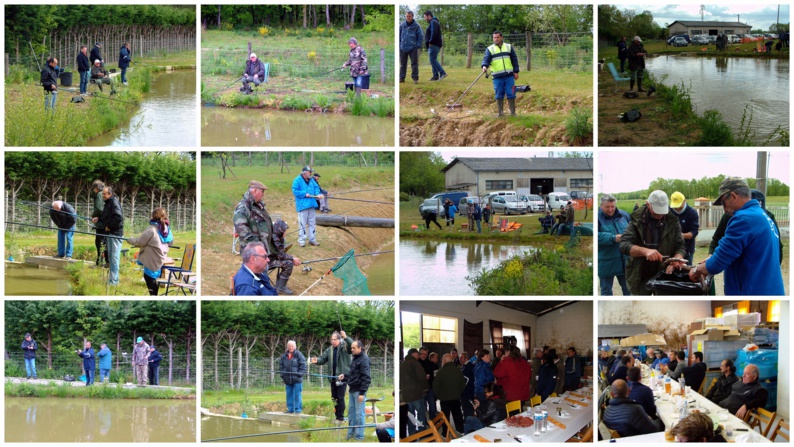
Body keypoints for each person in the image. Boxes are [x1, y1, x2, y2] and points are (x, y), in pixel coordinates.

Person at [690, 177, 784, 295]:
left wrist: (696, 270)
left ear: (734, 196)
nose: (724, 210)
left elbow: (719, 261)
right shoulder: (763, 216)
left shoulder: (743, 219)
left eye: (724, 203)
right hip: (768, 289)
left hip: (752, 292)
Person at [619, 190, 686, 295]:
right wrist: (644, 251)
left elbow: (680, 246)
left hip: (665, 274)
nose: (660, 215)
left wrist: (677, 259)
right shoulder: (636, 220)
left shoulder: (673, 221)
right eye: (656, 211)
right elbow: (624, 245)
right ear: (648, 204)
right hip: (640, 275)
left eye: (662, 211)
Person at [126, 208, 171, 296]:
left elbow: (140, 241)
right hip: (160, 257)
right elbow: (171, 242)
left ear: (153, 216)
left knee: (149, 277)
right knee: (155, 276)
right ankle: (154, 295)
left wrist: (130, 240)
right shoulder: (166, 228)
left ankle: (153, 296)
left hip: (151, 257)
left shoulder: (152, 229)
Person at [312, 330, 354, 423]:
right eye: (331, 339)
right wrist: (316, 360)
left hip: (342, 377)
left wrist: (346, 337)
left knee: (340, 397)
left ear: (339, 339)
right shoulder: (329, 349)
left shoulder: (344, 347)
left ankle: (340, 417)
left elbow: (352, 346)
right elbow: (322, 359)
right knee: (334, 398)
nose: (333, 341)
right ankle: (336, 416)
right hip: (333, 378)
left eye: (335, 339)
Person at [598, 194, 632, 295]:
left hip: (625, 261)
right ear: (601, 206)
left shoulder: (624, 215)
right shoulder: (597, 218)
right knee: (606, 292)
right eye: (607, 207)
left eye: (612, 206)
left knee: (628, 290)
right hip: (606, 262)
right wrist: (612, 238)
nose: (610, 209)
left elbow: (634, 229)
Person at [482, 31, 520, 117]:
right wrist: (484, 66)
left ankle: (513, 113)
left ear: (501, 37)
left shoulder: (509, 47)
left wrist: (516, 71)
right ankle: (500, 113)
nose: (496, 39)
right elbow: (486, 59)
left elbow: (514, 60)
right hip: (497, 77)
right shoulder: (490, 49)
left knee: (511, 93)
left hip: (509, 75)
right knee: (499, 94)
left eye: (497, 37)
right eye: (494, 37)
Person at [339, 340, 371, 441]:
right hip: (352, 390)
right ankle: (350, 434)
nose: (351, 349)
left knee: (359, 414)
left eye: (353, 348)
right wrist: (344, 376)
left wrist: (362, 393)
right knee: (351, 413)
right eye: (351, 348)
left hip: (359, 391)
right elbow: (353, 375)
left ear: (359, 348)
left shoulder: (364, 359)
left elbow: (366, 378)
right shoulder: (355, 358)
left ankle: (359, 436)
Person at [93, 186, 124, 286]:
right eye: (102, 194)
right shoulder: (108, 203)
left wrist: (109, 226)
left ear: (110, 194)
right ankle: (112, 279)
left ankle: (114, 281)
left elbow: (118, 217)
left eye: (104, 194)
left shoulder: (113, 202)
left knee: (114, 258)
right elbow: (107, 215)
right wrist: (99, 218)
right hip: (110, 233)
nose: (103, 196)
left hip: (115, 234)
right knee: (110, 257)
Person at [434, 353, 465, 435]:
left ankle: (445, 432)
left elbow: (435, 386)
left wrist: (437, 395)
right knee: (457, 414)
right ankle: (461, 430)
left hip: (444, 398)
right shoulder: (458, 370)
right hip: (456, 397)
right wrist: (458, 393)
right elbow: (463, 384)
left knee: (445, 417)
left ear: (444, 361)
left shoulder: (441, 372)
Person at [401, 348, 429, 434]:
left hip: (406, 395)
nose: (419, 355)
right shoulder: (415, 363)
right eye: (418, 354)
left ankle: (412, 432)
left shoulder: (402, 364)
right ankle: (422, 431)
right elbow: (422, 377)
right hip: (416, 393)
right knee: (420, 413)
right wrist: (426, 387)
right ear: (414, 354)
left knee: (410, 415)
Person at [269, 219, 301, 295]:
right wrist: (292, 259)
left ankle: (280, 285)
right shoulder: (275, 238)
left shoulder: (278, 236)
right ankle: (281, 287)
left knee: (288, 261)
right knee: (288, 264)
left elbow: (280, 253)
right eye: (284, 231)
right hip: (267, 261)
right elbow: (280, 255)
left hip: (273, 257)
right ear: (280, 230)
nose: (285, 233)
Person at [292, 167, 322, 247]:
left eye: (311, 172)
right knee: (302, 223)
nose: (311, 173)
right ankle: (302, 240)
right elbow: (295, 191)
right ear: (304, 173)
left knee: (312, 223)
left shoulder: (311, 180)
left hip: (312, 204)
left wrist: (317, 194)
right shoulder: (297, 180)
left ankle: (312, 239)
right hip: (303, 205)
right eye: (309, 172)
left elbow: (316, 187)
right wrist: (305, 194)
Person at [669, 192, 699, 266]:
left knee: (685, 272)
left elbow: (694, 232)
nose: (677, 208)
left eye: (679, 205)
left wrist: (680, 235)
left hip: (687, 248)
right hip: (671, 249)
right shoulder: (669, 211)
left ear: (684, 201)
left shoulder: (692, 213)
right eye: (675, 206)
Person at [279, 340, 308, 414]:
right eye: (289, 346)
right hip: (287, 379)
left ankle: (298, 410)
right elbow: (281, 366)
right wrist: (283, 375)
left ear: (295, 347)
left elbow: (303, 365)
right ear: (287, 347)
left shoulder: (299, 355)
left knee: (297, 394)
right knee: (289, 394)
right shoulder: (284, 356)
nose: (290, 347)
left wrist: (299, 374)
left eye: (292, 346)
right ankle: (290, 409)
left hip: (297, 379)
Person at [399, 10, 423, 84]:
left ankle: (415, 78)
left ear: (412, 17)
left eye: (409, 16)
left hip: (413, 48)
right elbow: (399, 36)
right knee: (403, 64)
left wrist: (418, 45)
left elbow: (420, 36)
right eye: (407, 16)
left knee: (414, 63)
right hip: (403, 47)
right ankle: (402, 77)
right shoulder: (402, 25)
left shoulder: (417, 26)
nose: (408, 18)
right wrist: (399, 45)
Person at [423, 11, 447, 81]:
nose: (425, 19)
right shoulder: (434, 22)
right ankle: (435, 76)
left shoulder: (433, 22)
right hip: (434, 44)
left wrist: (431, 41)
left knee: (432, 59)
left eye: (425, 17)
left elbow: (434, 32)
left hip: (433, 44)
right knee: (433, 60)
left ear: (429, 16)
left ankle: (442, 73)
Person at [418, 347, 438, 419]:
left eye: (426, 354)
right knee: (422, 407)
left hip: (429, 387)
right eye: (422, 354)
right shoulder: (416, 363)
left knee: (432, 405)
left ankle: (433, 419)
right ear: (419, 353)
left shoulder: (430, 363)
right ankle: (424, 421)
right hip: (420, 389)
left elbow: (434, 376)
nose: (424, 355)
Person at [90, 180, 106, 266]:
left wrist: (93, 216)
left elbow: (99, 208)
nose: (93, 190)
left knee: (100, 243)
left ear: (97, 188)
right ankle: (102, 261)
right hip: (104, 221)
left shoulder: (100, 194)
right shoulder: (105, 193)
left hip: (101, 224)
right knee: (103, 242)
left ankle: (100, 262)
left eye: (94, 188)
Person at [460, 351, 476, 417]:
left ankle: (468, 425)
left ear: (466, 359)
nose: (460, 359)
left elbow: (465, 382)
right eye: (460, 357)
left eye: (461, 358)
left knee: (468, 411)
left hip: (467, 393)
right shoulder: (464, 366)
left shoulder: (468, 367)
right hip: (466, 393)